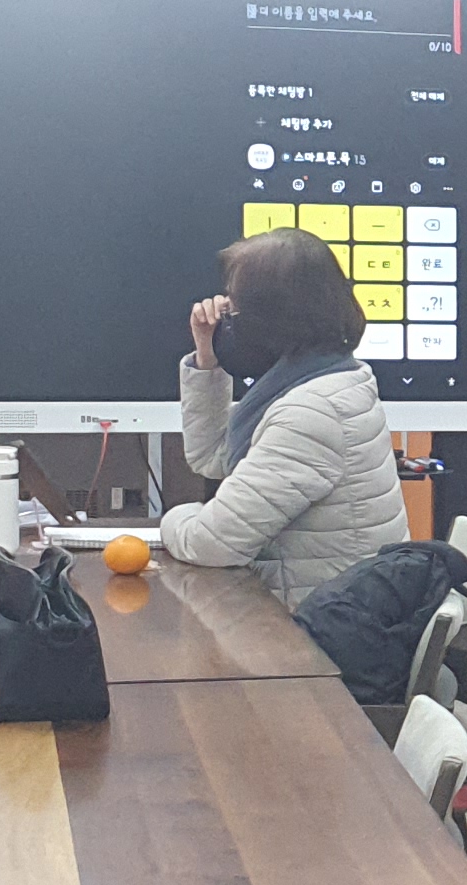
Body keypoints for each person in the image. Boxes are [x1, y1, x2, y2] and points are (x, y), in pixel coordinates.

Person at [164, 226, 408, 607]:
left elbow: (211, 543)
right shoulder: (330, 377)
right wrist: (206, 357)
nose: (228, 321)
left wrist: (172, 518)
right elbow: (212, 455)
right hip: (330, 606)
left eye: (235, 311)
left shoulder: (312, 413)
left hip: (325, 626)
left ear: (272, 322)